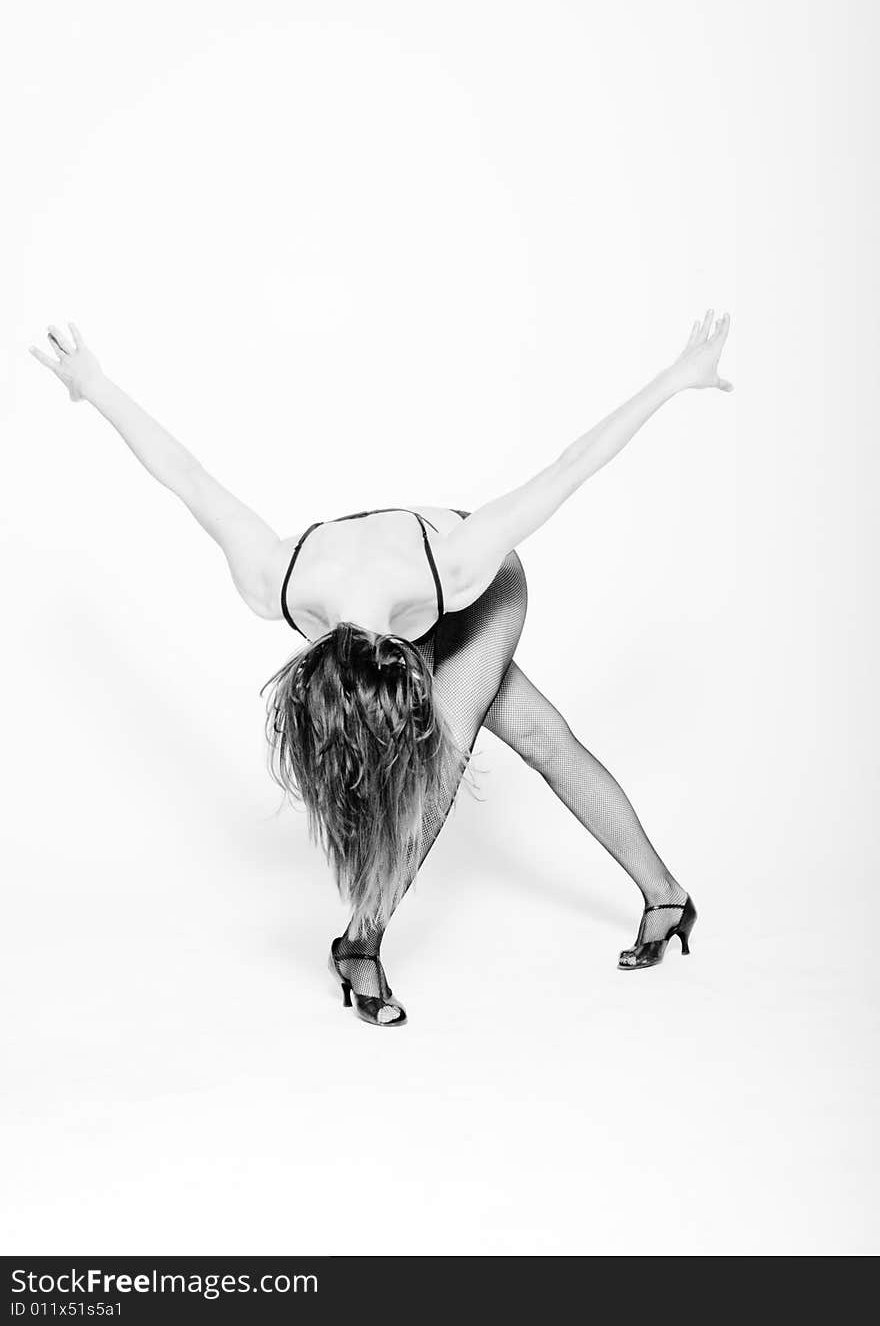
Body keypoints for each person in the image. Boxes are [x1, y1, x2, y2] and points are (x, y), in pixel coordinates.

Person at [30, 310, 733, 1027]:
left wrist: (675, 379)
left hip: (485, 587)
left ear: (409, 662)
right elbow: (185, 474)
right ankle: (667, 895)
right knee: (537, 735)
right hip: (404, 595)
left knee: (441, 764)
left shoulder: (458, 567)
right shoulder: (273, 572)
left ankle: (358, 942)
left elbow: (570, 466)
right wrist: (96, 385)